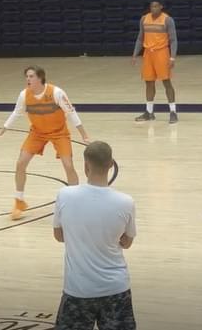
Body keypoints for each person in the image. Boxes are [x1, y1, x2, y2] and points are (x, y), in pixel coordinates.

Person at [53, 141, 137, 330]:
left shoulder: (64, 195)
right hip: (116, 289)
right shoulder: (126, 202)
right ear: (111, 164)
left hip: (78, 289)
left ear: (85, 165)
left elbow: (59, 236)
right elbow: (127, 242)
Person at [0, 66, 91, 220]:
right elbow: (16, 112)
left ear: (40, 78)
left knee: (68, 165)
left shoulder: (56, 93)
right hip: (37, 133)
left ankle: (75, 201)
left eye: (31, 76)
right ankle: (19, 201)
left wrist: (84, 135)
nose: (28, 79)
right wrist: (2, 130)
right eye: (27, 76)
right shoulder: (24, 95)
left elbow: (71, 113)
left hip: (59, 132)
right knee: (20, 163)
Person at [131, 0, 178, 123]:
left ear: (161, 7)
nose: (154, 8)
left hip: (162, 52)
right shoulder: (144, 19)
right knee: (149, 82)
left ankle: (173, 112)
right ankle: (149, 112)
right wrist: (135, 54)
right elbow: (140, 38)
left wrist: (172, 57)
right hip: (148, 54)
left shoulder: (167, 20)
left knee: (166, 82)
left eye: (156, 6)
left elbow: (173, 40)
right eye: (152, 6)